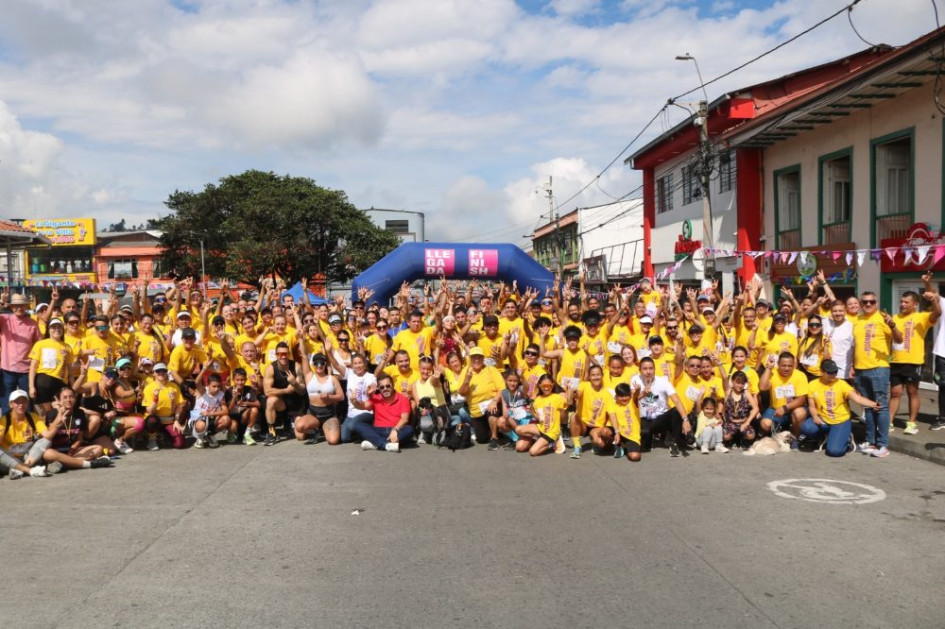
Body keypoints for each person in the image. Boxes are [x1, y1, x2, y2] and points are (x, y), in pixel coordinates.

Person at [852, 291, 902, 457]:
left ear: (876, 303)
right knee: (868, 408)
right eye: (864, 302)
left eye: (871, 302)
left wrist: (892, 325)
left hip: (878, 369)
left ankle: (883, 444)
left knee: (880, 408)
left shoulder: (883, 318)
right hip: (860, 369)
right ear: (860, 303)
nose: (867, 304)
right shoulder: (857, 320)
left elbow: (899, 339)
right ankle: (871, 442)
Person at [801, 359, 881, 457]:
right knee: (807, 428)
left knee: (834, 452)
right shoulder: (813, 384)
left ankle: (847, 441)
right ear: (821, 371)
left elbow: (858, 399)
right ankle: (824, 437)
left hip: (840, 420)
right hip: (823, 419)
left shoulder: (842, 384)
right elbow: (812, 406)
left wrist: (873, 404)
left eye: (835, 371)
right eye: (829, 372)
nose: (833, 374)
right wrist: (814, 416)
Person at [889, 284, 940, 435]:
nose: (902, 304)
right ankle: (889, 422)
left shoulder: (921, 317)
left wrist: (934, 300)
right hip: (896, 361)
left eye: (906, 302)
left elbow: (937, 313)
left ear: (915, 304)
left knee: (913, 392)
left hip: (913, 362)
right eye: (901, 301)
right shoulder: (895, 318)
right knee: (895, 392)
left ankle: (911, 423)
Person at [631, 357, 689, 457]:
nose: (648, 372)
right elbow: (632, 402)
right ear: (640, 370)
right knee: (644, 441)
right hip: (644, 418)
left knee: (676, 411)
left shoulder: (663, 381)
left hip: (661, 418)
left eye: (651, 368)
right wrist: (642, 394)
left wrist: (685, 420)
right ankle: (650, 437)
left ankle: (673, 442)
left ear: (654, 369)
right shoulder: (635, 380)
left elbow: (676, 401)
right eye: (645, 369)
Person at [0, 292, 42, 413]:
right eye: (16, 305)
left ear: (26, 306)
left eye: (22, 305)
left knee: (27, 403)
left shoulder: (33, 324)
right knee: (6, 403)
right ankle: (7, 428)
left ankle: (28, 427)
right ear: (11, 307)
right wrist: (1, 302)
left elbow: (38, 345)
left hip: (26, 370)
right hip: (7, 368)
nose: (19, 308)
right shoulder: (4, 320)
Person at [293, 351, 344, 444]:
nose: (319, 366)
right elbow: (304, 356)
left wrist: (330, 397)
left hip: (329, 414)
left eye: (322, 363)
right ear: (313, 364)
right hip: (313, 414)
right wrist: (301, 339)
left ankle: (326, 428)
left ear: (325, 364)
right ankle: (315, 429)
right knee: (299, 430)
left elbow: (341, 397)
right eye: (316, 363)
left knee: (333, 441)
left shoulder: (332, 378)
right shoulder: (309, 376)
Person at [758, 352, 809, 446]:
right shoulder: (773, 373)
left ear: (794, 365)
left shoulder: (800, 375)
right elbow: (762, 387)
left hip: (792, 410)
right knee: (765, 424)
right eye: (783, 365)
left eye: (790, 366)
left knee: (799, 413)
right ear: (778, 365)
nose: (786, 368)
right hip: (775, 409)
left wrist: (785, 408)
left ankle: (794, 438)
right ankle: (778, 437)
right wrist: (769, 368)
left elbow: (802, 399)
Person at [457, 347, 505, 446]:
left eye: (479, 357)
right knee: (482, 439)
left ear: (483, 359)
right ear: (470, 359)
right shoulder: (466, 372)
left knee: (492, 411)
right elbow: (462, 393)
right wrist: (467, 380)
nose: (477, 360)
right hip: (476, 411)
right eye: (474, 358)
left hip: (492, 404)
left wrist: (495, 401)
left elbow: (502, 388)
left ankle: (494, 438)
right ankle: (493, 430)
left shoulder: (491, 370)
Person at [353, 374, 413, 452]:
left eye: (388, 386)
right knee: (358, 425)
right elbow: (362, 406)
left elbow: (404, 419)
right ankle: (385, 445)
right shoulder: (375, 398)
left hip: (396, 430)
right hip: (378, 430)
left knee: (410, 429)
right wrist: (354, 401)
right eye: (382, 387)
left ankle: (375, 444)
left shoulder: (403, 399)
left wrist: (395, 430)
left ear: (393, 385)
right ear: (378, 388)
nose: (385, 389)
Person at [262, 341, 305, 446]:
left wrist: (295, 384)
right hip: (281, 403)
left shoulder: (296, 366)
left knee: (301, 436)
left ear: (289, 354)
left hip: (296, 403)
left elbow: (302, 391)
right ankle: (272, 433)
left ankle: (291, 423)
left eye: (285, 354)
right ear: (276, 355)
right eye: (280, 354)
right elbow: (267, 391)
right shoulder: (271, 368)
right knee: (271, 400)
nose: (283, 357)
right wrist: (286, 390)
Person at [28, 317, 73, 414]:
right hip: (43, 382)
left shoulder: (68, 347)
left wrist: (73, 387)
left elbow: (70, 371)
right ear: (48, 330)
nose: (57, 329)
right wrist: (31, 386)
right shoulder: (40, 344)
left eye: (59, 327)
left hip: (61, 384)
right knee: (44, 414)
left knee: (60, 413)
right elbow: (33, 366)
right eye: (53, 327)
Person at [514, 374, 568, 456]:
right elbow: (539, 418)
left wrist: (569, 391)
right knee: (518, 429)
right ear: (539, 385)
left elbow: (568, 404)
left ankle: (553, 443)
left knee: (533, 452)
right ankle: (536, 440)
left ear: (553, 385)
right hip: (542, 427)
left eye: (549, 385)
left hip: (552, 431)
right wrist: (532, 410)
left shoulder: (557, 397)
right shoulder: (538, 399)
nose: (546, 388)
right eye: (544, 386)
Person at [570, 364, 614, 458]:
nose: (596, 377)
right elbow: (578, 394)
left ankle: (596, 440)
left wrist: (616, 431)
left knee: (601, 444)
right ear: (589, 377)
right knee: (573, 416)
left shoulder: (607, 394)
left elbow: (611, 413)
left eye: (598, 374)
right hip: (583, 424)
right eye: (593, 375)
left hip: (596, 427)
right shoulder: (584, 385)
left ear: (602, 376)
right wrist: (574, 393)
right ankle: (577, 447)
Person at [142, 362, 187, 451]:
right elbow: (150, 411)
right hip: (156, 419)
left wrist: (177, 421)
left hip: (169, 420)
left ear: (167, 372)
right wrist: (155, 398)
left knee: (180, 444)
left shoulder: (174, 386)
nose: (161, 373)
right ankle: (152, 439)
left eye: (163, 371)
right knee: (151, 420)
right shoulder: (149, 388)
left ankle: (165, 435)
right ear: (153, 373)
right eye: (158, 371)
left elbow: (180, 405)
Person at [189, 369, 230, 449]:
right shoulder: (202, 391)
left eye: (218, 386)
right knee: (201, 425)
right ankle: (199, 438)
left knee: (226, 419)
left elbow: (225, 411)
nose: (216, 389)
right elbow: (197, 382)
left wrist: (210, 413)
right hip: (197, 419)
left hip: (209, 418)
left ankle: (210, 435)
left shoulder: (220, 394)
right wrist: (205, 368)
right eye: (214, 386)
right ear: (208, 385)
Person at [721, 370, 758, 449]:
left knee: (751, 435)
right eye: (738, 382)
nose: (740, 385)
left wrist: (747, 422)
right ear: (732, 382)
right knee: (726, 436)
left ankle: (743, 440)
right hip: (730, 422)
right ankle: (733, 439)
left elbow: (756, 408)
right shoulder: (728, 391)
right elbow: (724, 378)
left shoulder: (746, 393)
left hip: (743, 422)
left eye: (742, 383)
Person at [227, 367, 261, 445]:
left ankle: (247, 433)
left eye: (242, 380)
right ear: (233, 380)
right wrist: (234, 397)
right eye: (237, 380)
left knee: (254, 409)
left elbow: (258, 404)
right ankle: (231, 433)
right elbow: (229, 410)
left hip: (244, 418)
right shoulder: (229, 391)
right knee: (233, 426)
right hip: (234, 418)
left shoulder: (248, 389)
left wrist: (246, 404)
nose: (240, 382)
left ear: (245, 380)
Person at [609, 382, 642, 461]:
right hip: (618, 433)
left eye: (626, 395)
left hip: (632, 437)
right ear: (616, 396)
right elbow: (612, 417)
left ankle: (624, 446)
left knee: (635, 457)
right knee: (604, 432)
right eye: (621, 396)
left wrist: (637, 390)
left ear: (630, 395)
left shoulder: (632, 403)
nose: (624, 398)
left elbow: (636, 396)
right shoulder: (613, 405)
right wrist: (617, 432)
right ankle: (618, 445)